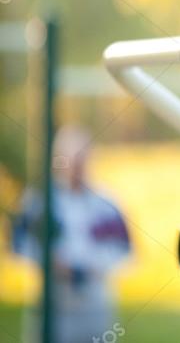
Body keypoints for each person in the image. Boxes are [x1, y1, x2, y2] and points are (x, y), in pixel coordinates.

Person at [11, 125, 132, 343]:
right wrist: (50, 262)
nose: (78, 165)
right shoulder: (40, 201)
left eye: (82, 157)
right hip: (54, 303)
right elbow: (20, 244)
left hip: (95, 303)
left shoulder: (106, 203)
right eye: (72, 158)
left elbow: (124, 249)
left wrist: (94, 266)